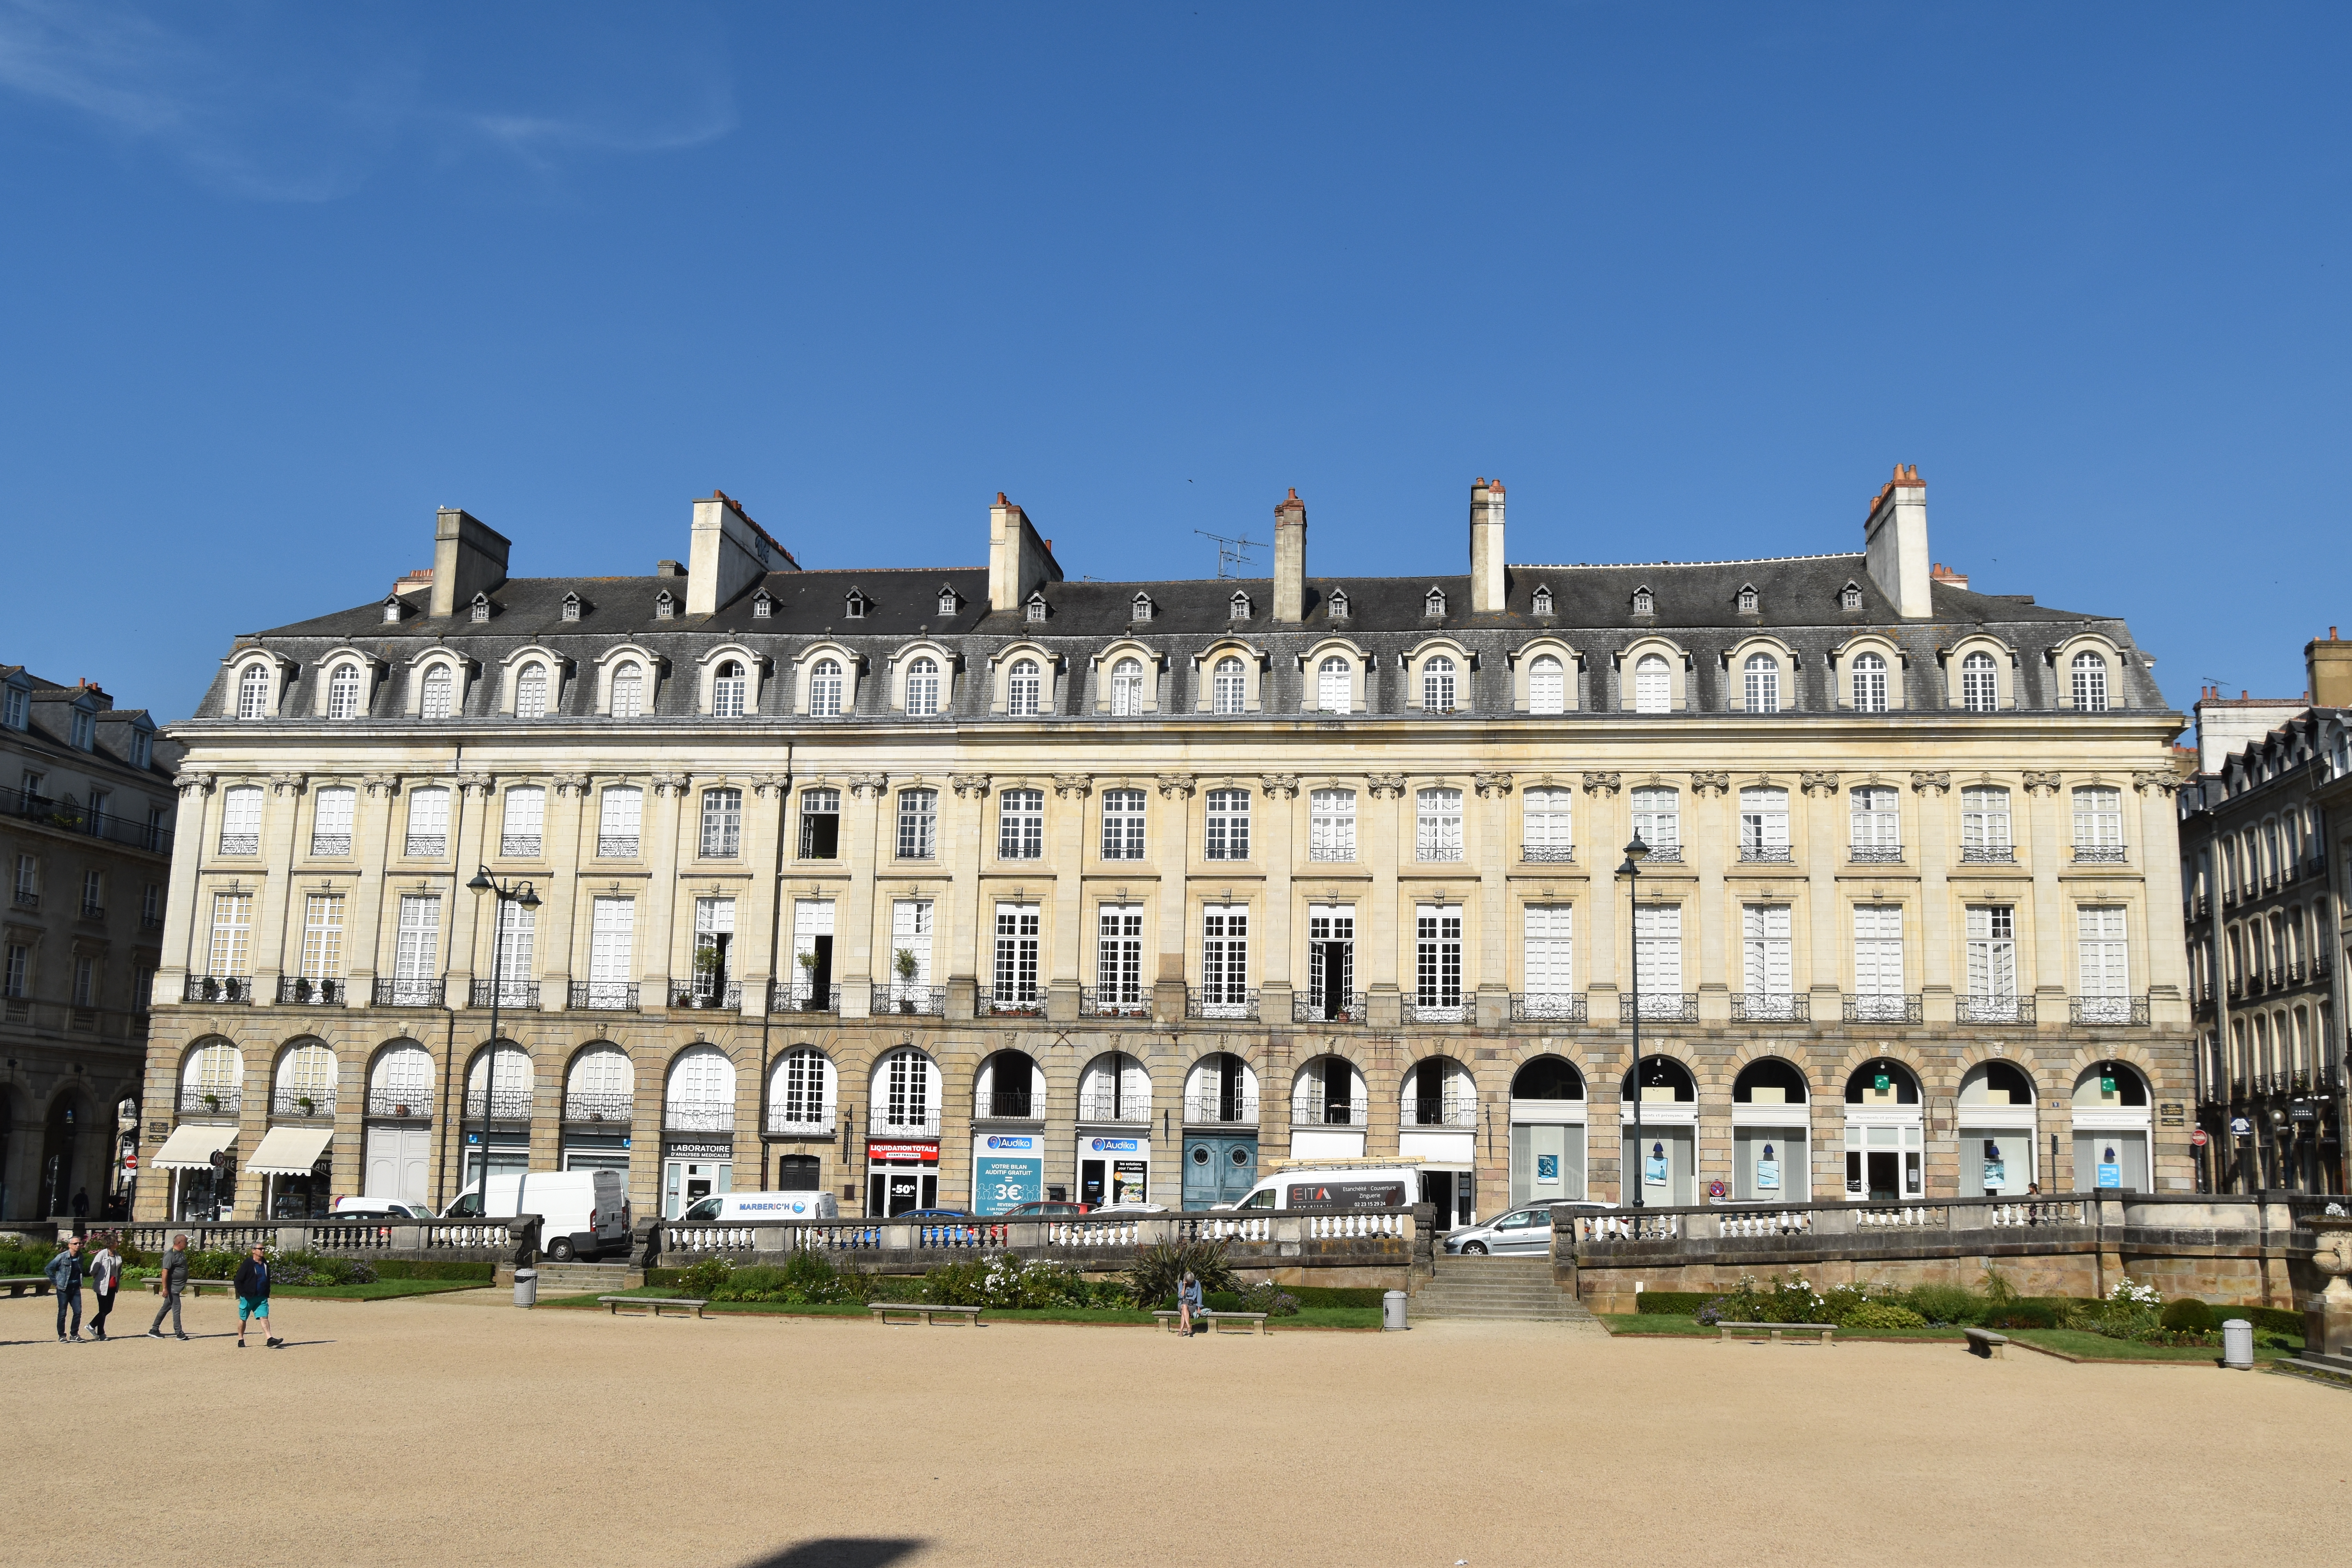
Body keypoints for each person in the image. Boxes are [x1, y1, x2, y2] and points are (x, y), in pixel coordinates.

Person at [232, 1243, 281, 1349]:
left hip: (262, 1296)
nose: (263, 1250)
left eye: (264, 1248)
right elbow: (238, 1280)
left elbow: (267, 1278)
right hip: (248, 1297)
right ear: (253, 1251)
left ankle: (270, 1339)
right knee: (243, 1318)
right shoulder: (248, 1263)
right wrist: (243, 1293)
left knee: (264, 1317)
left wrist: (267, 1291)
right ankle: (241, 1339)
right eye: (260, 1249)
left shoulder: (265, 1263)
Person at [149, 1234, 191, 1340]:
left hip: (177, 1287)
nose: (187, 1244)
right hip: (173, 1288)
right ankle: (179, 1333)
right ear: (179, 1243)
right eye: (186, 1242)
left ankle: (154, 1329)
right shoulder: (170, 1255)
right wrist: (165, 1288)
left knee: (165, 1308)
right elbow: (165, 1272)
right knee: (177, 1308)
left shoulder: (180, 1253)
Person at [45, 1234, 87, 1343]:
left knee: (78, 1312)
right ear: (70, 1245)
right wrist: (56, 1283)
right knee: (63, 1312)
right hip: (63, 1289)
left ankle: (74, 1334)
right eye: (75, 1244)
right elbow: (48, 1269)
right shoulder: (62, 1257)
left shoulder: (81, 1257)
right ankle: (62, 1336)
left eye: (79, 1243)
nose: (78, 1245)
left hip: (76, 1288)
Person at [85, 1234, 122, 1340]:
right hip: (102, 1285)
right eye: (116, 1241)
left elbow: (118, 1270)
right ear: (111, 1243)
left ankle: (92, 1326)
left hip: (113, 1285)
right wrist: (99, 1277)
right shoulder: (102, 1254)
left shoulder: (117, 1255)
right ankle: (101, 1333)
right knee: (103, 1309)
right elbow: (93, 1269)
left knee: (108, 1309)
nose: (118, 1243)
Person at [1176, 1269, 1205, 1337]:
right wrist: (1184, 1287)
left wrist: (1199, 1307)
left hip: (1192, 1305)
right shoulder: (1181, 1284)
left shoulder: (1197, 1283)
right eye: (1189, 1282)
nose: (1190, 1283)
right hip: (1182, 1303)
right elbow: (1181, 1297)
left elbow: (1199, 1296)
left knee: (1184, 1310)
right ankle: (1189, 1327)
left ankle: (1181, 1331)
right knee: (1184, 1306)